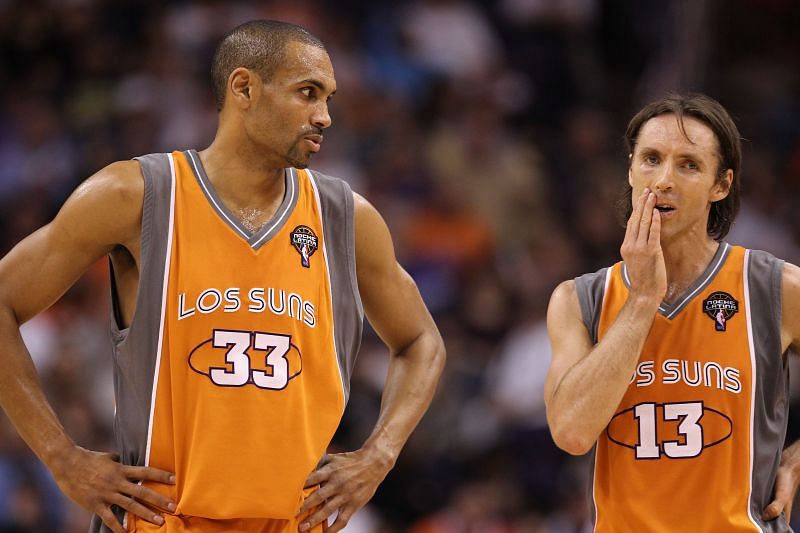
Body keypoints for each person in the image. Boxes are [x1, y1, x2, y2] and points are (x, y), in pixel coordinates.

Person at [0, 20, 445, 533]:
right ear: (243, 88)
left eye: (328, 99)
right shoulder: (136, 196)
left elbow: (421, 341)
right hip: (163, 521)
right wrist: (61, 458)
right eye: (307, 93)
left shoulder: (346, 219)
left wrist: (379, 455)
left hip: (293, 522)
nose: (323, 116)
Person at [544, 93, 800, 531]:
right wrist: (643, 300)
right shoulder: (578, 299)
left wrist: (796, 459)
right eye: (650, 159)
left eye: (689, 165)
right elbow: (571, 432)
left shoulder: (774, 287)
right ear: (629, 170)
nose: (663, 179)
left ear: (720, 185)